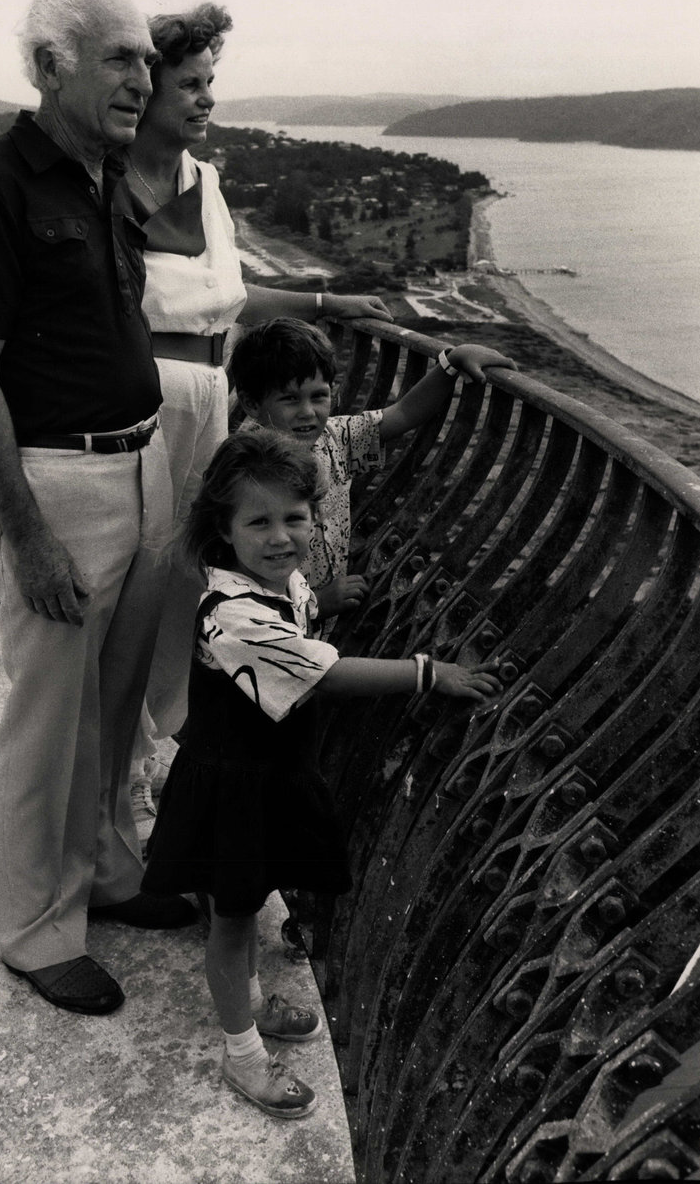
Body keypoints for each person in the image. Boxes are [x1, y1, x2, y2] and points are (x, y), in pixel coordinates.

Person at [0, 0, 195, 1018]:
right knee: (51, 720)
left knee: (119, 705)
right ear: (51, 67)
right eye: (120, 58)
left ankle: (108, 869)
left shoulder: (104, 177)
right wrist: (24, 530)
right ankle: (37, 927)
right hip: (58, 483)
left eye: (147, 56)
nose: (145, 75)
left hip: (141, 468)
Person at [141, 428, 502, 1118]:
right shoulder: (233, 614)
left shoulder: (275, 581)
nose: (280, 537)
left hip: (263, 774)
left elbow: (304, 617)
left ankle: (247, 1003)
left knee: (242, 907)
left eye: (294, 518)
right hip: (234, 786)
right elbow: (325, 672)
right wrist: (428, 673)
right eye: (259, 522)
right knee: (231, 918)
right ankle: (242, 1055)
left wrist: (323, 595)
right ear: (223, 529)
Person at [122, 3, 394, 843]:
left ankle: (164, 758)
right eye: (188, 83)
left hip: (206, 396)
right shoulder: (106, 183)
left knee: (184, 585)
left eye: (212, 82)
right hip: (142, 397)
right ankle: (124, 772)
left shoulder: (204, 182)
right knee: (132, 582)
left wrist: (325, 300)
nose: (205, 98)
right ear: (144, 85)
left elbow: (230, 300)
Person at [231, 317, 516, 621]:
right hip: (272, 627)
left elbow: (404, 412)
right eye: (290, 399)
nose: (307, 412)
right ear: (251, 404)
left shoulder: (334, 438)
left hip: (318, 620)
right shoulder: (244, 466)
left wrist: (451, 363)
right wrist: (314, 604)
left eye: (319, 396)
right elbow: (236, 567)